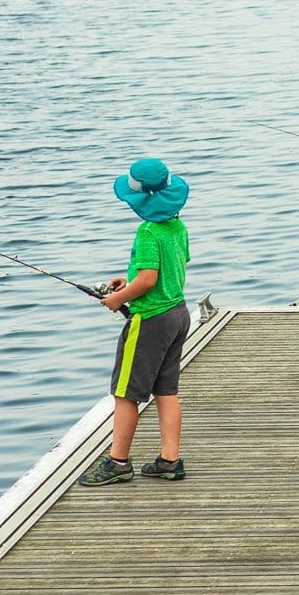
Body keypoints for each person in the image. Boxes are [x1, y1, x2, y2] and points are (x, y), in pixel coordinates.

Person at [79, 157, 192, 487]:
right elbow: (167, 269)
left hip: (150, 321)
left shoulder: (147, 232)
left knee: (125, 393)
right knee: (166, 390)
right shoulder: (176, 225)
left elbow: (148, 280)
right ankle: (170, 460)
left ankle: (118, 462)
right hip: (177, 314)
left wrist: (119, 299)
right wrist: (124, 281)